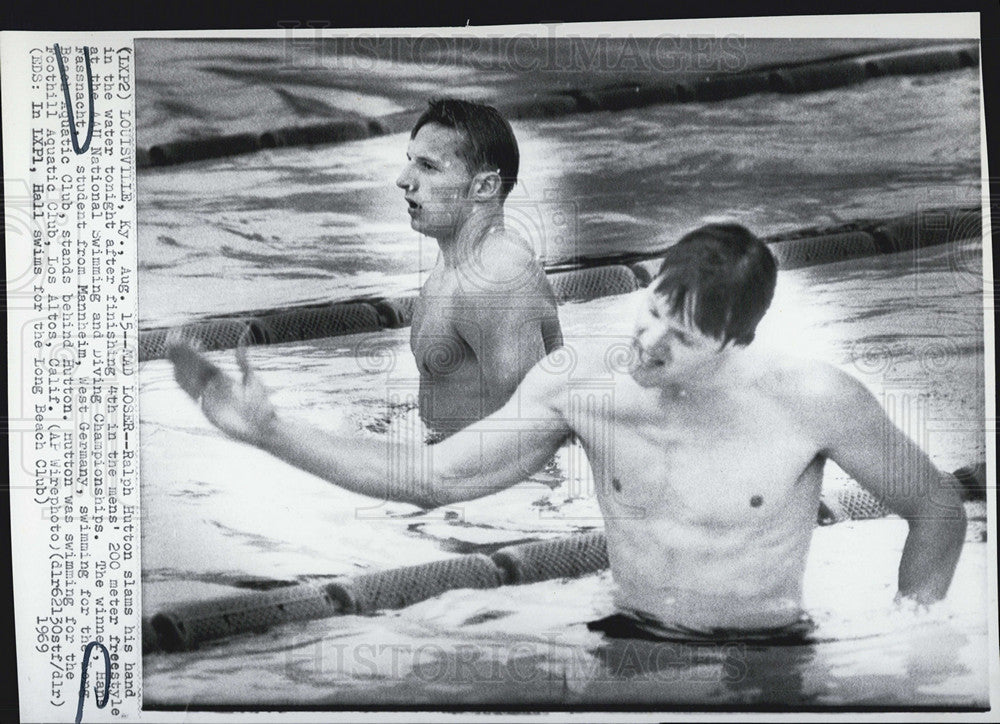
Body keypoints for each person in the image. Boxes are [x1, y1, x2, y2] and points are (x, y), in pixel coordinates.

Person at [168, 223, 966, 636]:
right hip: (623, 638)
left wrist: (911, 632)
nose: (647, 343)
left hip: (763, 660)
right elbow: (432, 477)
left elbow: (937, 507)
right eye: (651, 312)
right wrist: (271, 431)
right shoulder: (583, 384)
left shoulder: (814, 401)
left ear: (735, 341)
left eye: (680, 338)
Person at [396, 98, 562, 438]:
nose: (403, 180)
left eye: (428, 166)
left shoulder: (495, 279)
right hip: (452, 464)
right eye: (410, 161)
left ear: (484, 187)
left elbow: (536, 430)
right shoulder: (454, 260)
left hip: (487, 486)